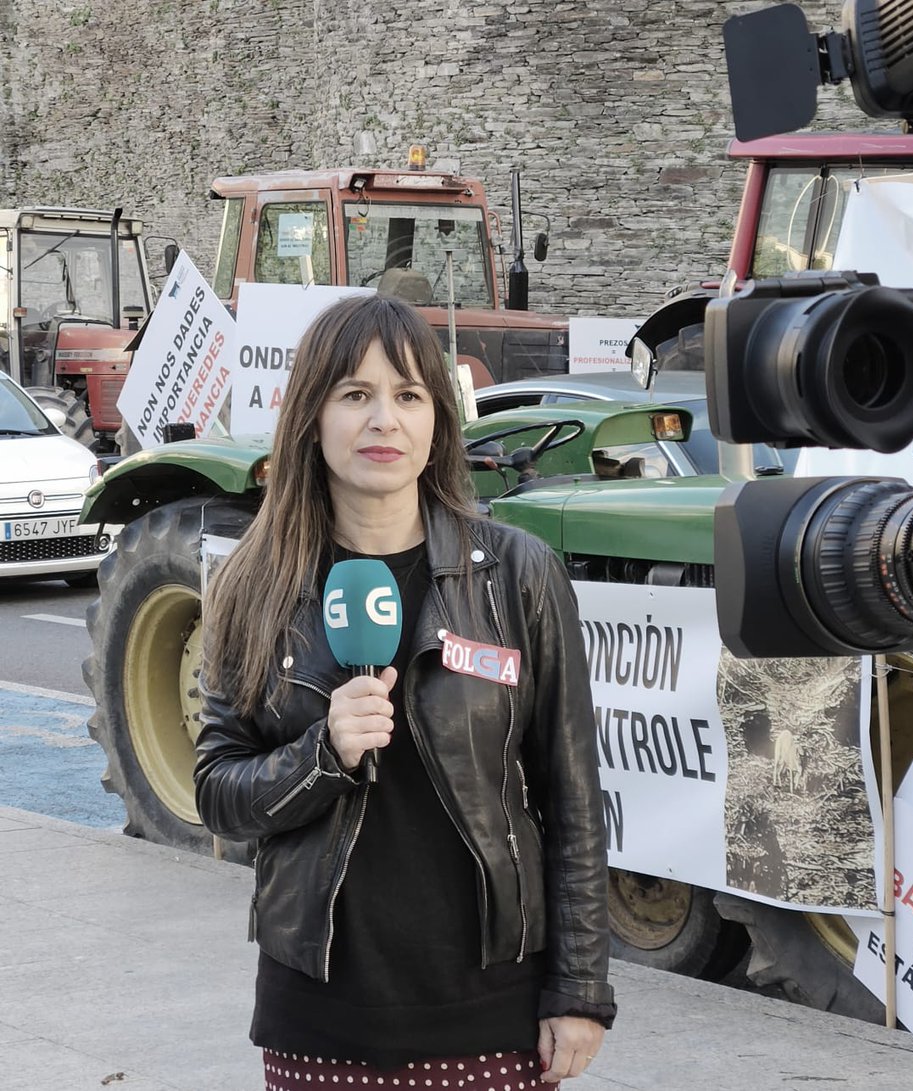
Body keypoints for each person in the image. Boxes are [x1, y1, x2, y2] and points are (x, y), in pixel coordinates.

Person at [194, 293, 615, 1091]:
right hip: (319, 1017)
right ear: (311, 417)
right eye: (355, 393)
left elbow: (573, 798)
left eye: (409, 394)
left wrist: (580, 988)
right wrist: (322, 754)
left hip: (492, 1009)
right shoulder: (254, 584)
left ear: (437, 421)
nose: (383, 419)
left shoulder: (517, 574)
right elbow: (218, 791)